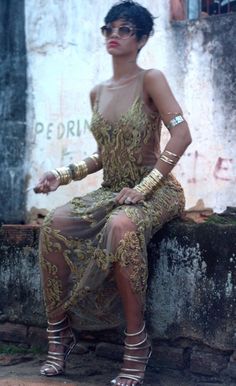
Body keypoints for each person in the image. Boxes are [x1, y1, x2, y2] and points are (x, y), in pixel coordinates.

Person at [34, 1, 192, 385]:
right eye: (109, 29)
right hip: (113, 190)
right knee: (53, 224)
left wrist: (144, 188)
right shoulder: (98, 92)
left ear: (141, 39)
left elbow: (182, 134)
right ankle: (59, 337)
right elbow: (104, 155)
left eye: (124, 30)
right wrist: (61, 174)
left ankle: (137, 345)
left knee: (122, 227)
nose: (114, 36)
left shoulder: (150, 79)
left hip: (156, 189)